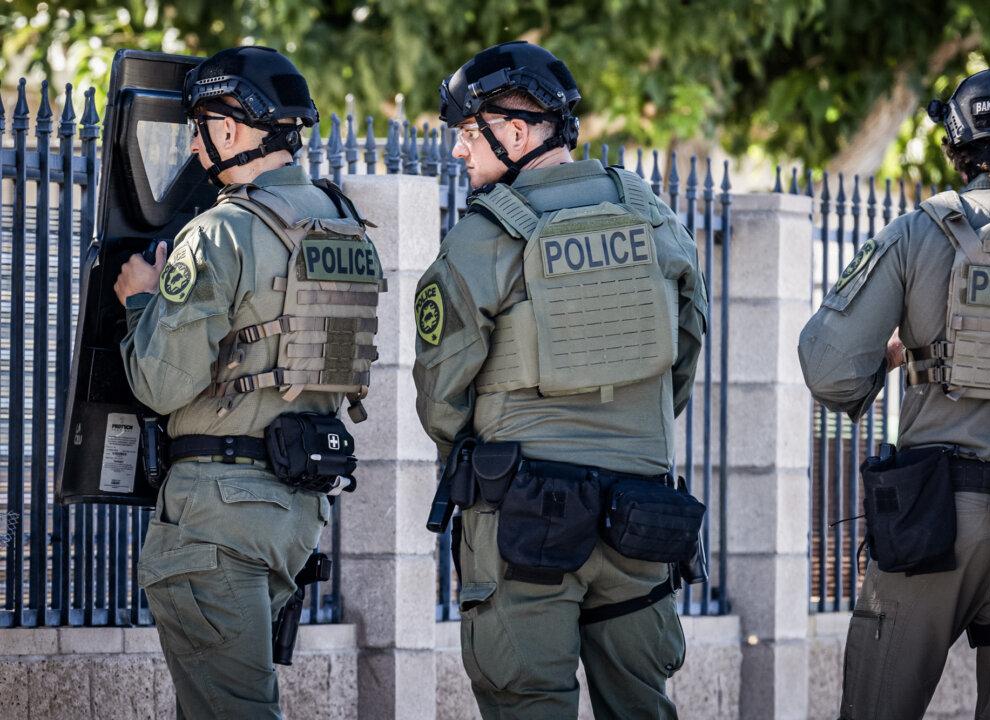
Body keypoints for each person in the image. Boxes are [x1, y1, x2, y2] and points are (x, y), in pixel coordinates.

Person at [413, 41, 708, 719]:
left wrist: (477, 458)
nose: (461, 152)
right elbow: (685, 352)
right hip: (642, 514)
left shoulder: (483, 238)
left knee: (528, 704)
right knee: (641, 706)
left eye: (467, 133)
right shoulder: (655, 217)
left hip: (525, 518)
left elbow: (441, 393)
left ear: (515, 131)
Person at [798, 66, 990, 719]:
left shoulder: (919, 232)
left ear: (958, 143)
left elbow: (829, 370)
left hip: (932, 522)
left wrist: (897, 360)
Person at [114, 46, 382, 719]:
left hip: (217, 518)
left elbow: (159, 383)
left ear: (230, 129)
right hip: (294, 511)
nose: (195, 147)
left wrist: (140, 301)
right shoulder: (345, 229)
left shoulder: (220, 234)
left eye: (198, 127)